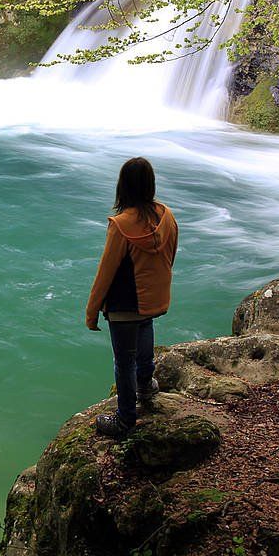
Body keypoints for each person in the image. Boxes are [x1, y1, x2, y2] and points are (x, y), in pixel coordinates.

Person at [84, 157, 179, 437]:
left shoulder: (121, 225)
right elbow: (170, 255)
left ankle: (125, 419)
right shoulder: (166, 216)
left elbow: (106, 271)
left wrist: (92, 312)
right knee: (145, 335)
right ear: (150, 184)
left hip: (124, 305)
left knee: (123, 361)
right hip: (150, 300)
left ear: (122, 186)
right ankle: (146, 386)